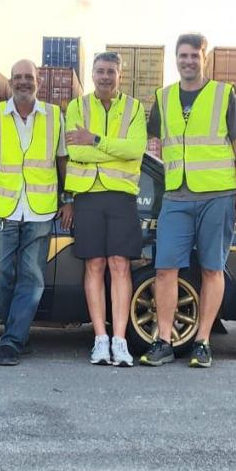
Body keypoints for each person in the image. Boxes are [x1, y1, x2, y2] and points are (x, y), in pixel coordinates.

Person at [140, 33, 236, 369]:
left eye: (194, 55)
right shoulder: (163, 97)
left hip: (217, 196)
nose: (188, 61)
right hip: (175, 196)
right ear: (176, 58)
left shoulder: (223, 94)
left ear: (204, 58)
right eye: (182, 55)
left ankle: (201, 341)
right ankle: (163, 340)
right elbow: (152, 143)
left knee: (211, 269)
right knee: (164, 270)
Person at [0, 59, 72, 366]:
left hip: (41, 210)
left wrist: (67, 198)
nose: (23, 82)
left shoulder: (55, 117)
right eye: (17, 77)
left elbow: (62, 161)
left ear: (38, 82)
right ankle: (16, 330)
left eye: (28, 77)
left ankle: (12, 341)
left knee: (32, 276)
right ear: (10, 83)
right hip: (2, 208)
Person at [64, 51, 147, 367]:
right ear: (92, 73)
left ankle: (120, 340)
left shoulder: (135, 108)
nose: (105, 77)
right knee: (95, 265)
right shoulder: (77, 106)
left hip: (122, 196)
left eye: (111, 71)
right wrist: (115, 151)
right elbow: (74, 149)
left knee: (120, 265)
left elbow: (135, 150)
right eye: (100, 71)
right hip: (87, 195)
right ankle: (100, 339)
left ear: (120, 75)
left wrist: (94, 140)